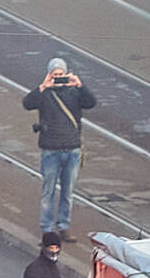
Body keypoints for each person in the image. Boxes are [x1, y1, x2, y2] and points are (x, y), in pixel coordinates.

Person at [21, 57, 97, 238]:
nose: (58, 78)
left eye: (61, 74)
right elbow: (27, 103)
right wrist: (42, 87)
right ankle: (47, 229)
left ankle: (64, 226)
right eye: (55, 75)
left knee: (67, 192)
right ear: (49, 75)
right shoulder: (44, 93)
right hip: (50, 149)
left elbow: (91, 103)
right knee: (48, 191)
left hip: (72, 149)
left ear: (67, 73)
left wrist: (80, 85)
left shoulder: (75, 92)